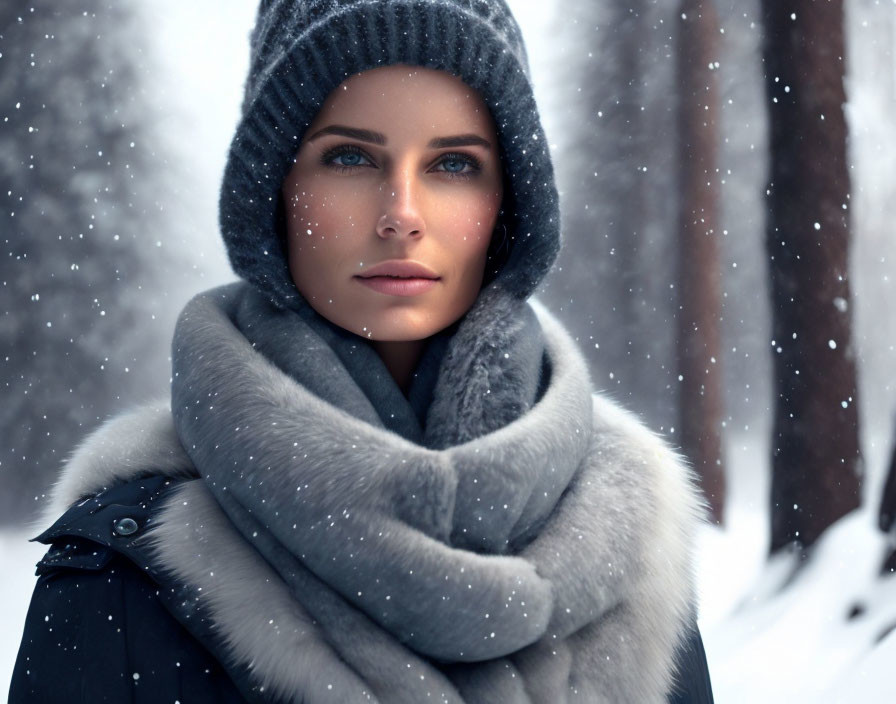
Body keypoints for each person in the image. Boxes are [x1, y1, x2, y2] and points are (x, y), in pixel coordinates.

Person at [10, 1, 714, 702]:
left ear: (508, 205)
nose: (401, 213)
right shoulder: (122, 572)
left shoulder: (631, 555)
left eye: (453, 164)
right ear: (276, 190)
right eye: (348, 157)